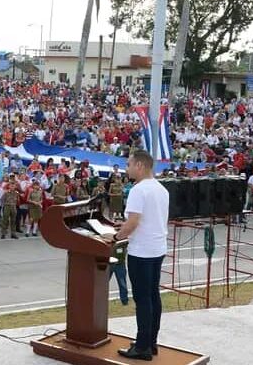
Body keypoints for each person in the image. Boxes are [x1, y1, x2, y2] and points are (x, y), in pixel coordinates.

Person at [113, 150, 169, 361]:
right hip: (157, 248)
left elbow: (134, 222)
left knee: (142, 299)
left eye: (128, 164)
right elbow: (148, 219)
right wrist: (125, 225)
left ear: (139, 166)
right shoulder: (161, 189)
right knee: (153, 296)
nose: (126, 168)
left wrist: (116, 236)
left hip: (141, 251)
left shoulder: (138, 190)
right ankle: (150, 342)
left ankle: (142, 347)